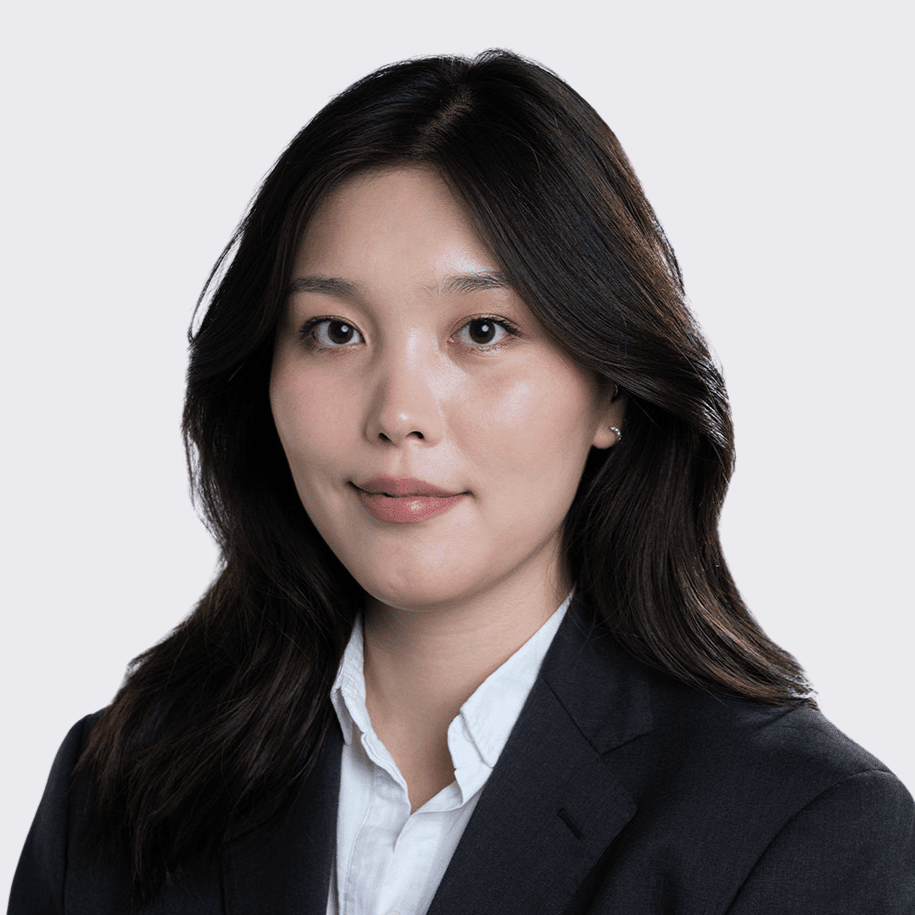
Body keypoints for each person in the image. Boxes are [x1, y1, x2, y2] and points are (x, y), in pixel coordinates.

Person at [9, 50, 914, 915]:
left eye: (481, 330)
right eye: (333, 331)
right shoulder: (116, 784)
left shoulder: (802, 830)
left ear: (611, 390)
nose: (398, 412)